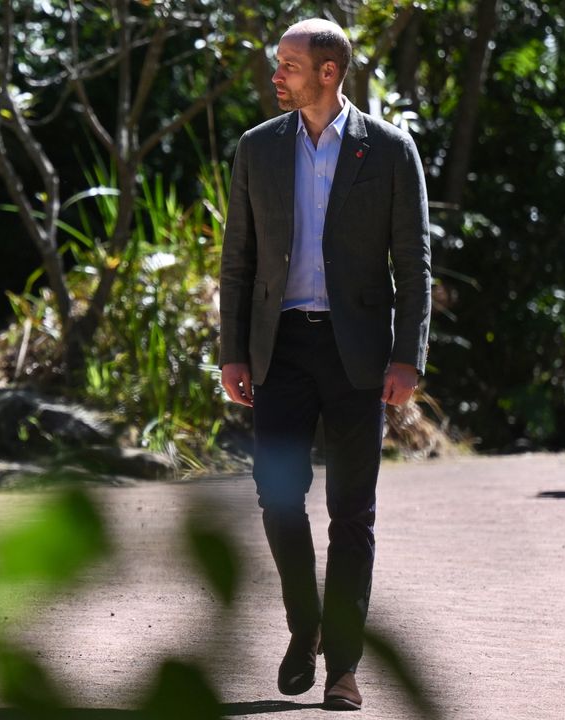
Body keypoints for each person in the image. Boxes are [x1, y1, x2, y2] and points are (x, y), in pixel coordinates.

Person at [217, 18, 431, 712]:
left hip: (357, 356)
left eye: (289, 64)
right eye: (278, 62)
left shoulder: (391, 151)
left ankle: (343, 668)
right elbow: (238, 259)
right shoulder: (257, 150)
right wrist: (231, 351)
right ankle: (303, 622)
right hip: (279, 352)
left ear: (329, 72)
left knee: (352, 514)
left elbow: (414, 264)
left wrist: (407, 357)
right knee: (278, 499)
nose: (277, 74)